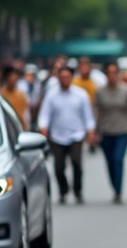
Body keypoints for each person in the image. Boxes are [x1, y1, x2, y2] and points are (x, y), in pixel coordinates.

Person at [37, 65, 96, 204]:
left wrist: (90, 130)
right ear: (58, 78)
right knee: (58, 167)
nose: (65, 80)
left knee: (76, 163)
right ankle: (63, 191)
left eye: (67, 77)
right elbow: (45, 114)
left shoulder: (80, 94)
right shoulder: (52, 95)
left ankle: (78, 191)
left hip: (76, 134)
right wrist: (43, 128)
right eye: (62, 77)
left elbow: (88, 115)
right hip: (57, 136)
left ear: (72, 78)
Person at [94, 61, 127, 204]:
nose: (112, 75)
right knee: (110, 161)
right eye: (109, 73)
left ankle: (118, 191)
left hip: (122, 130)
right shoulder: (100, 91)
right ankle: (114, 187)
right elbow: (97, 111)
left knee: (118, 159)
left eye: (114, 72)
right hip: (106, 131)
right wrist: (95, 131)